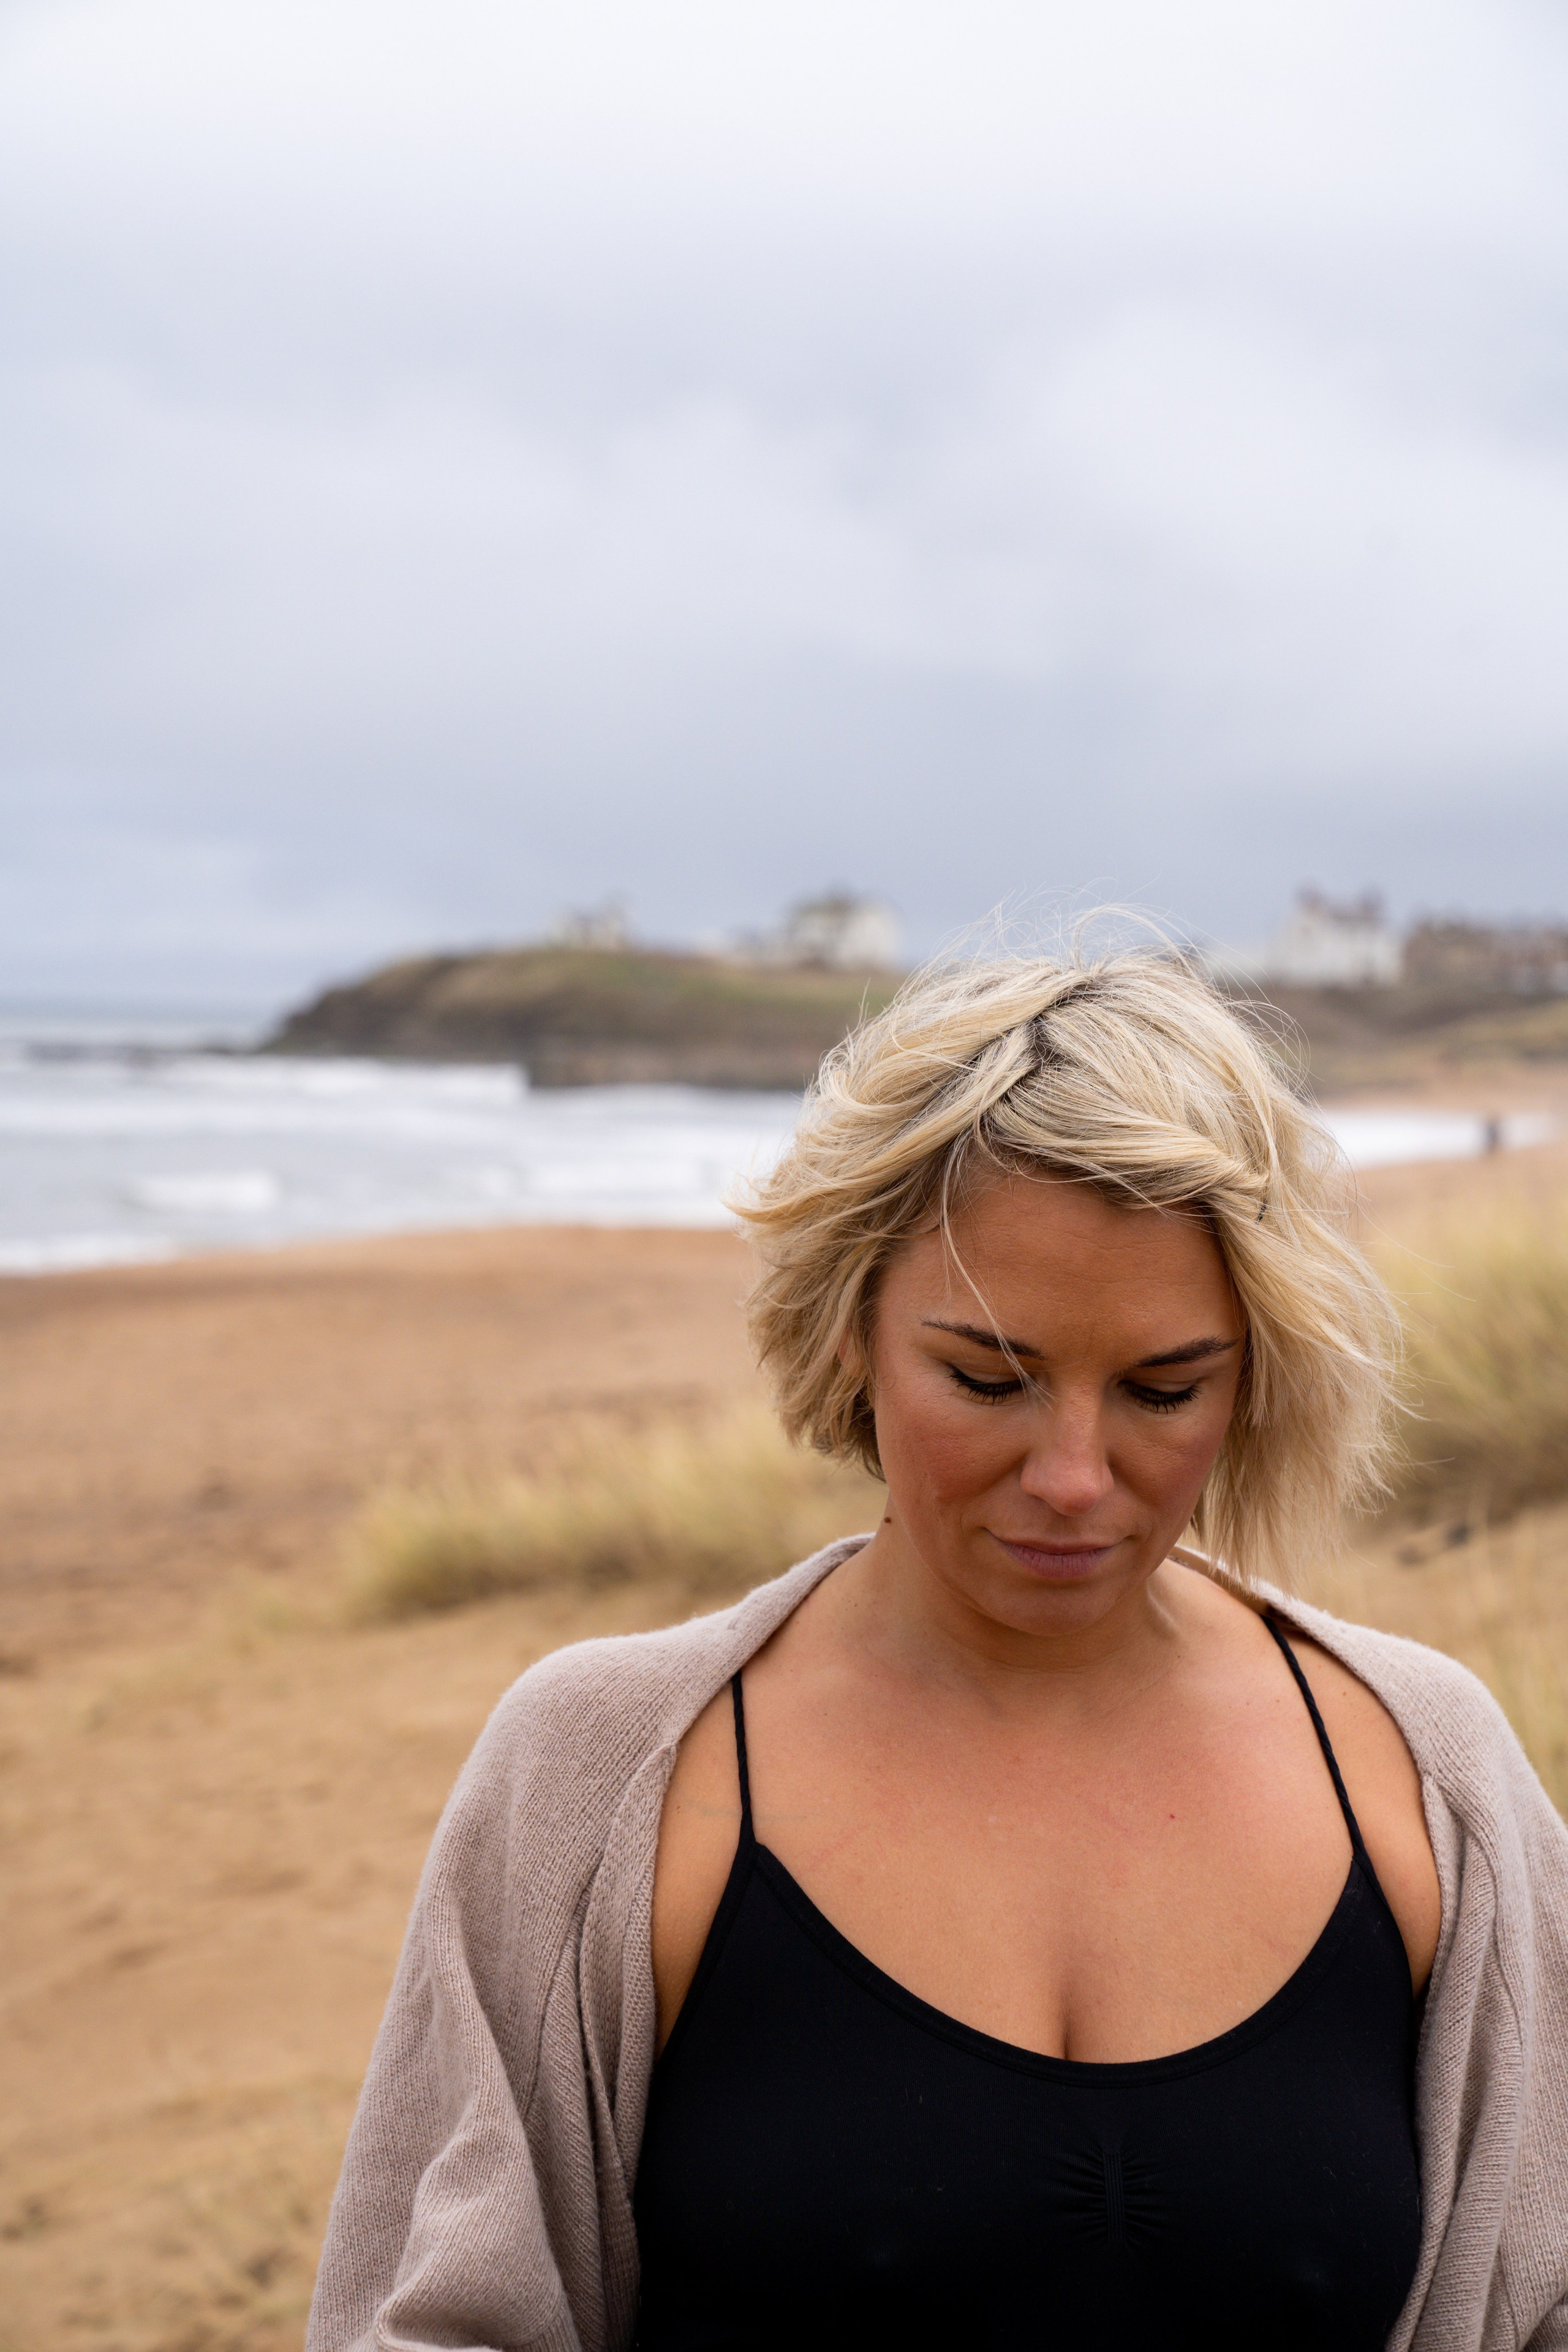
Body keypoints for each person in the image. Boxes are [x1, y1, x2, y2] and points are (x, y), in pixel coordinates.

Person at [307, 946, 1568, 2352]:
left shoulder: (1426, 1780)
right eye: (985, 1379)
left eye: (1163, 1389)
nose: (1074, 1477)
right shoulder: (599, 1780)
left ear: (1254, 1368)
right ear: (851, 1328)